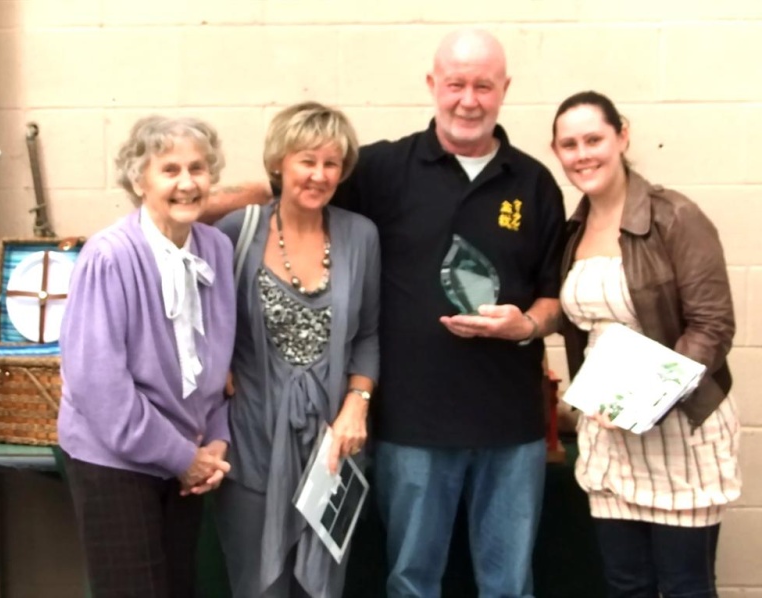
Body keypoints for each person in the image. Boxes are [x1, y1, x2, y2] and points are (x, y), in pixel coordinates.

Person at [206, 28, 565, 598]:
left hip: (510, 428)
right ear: (432, 85)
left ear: (504, 90)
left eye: (483, 85)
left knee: (508, 585)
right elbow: (301, 187)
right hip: (411, 428)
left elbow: (553, 298)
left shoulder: (536, 183)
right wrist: (189, 200)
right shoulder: (381, 169)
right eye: (455, 84)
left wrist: (527, 325)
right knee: (411, 581)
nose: (468, 99)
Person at [552, 90, 741, 598]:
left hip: (679, 431)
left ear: (623, 136)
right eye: (569, 144)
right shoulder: (572, 230)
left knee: (684, 587)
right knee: (626, 586)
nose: (582, 153)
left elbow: (712, 327)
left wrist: (644, 402)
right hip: (609, 439)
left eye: (594, 139)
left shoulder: (675, 217)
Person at [57, 115, 236, 598]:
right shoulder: (109, 257)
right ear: (140, 180)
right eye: (170, 170)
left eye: (198, 169)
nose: (187, 183)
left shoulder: (216, 250)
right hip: (115, 462)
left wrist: (215, 441)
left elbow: (218, 366)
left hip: (186, 459)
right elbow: (101, 389)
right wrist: (185, 458)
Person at [212, 101, 380, 598]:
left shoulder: (360, 235)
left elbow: (369, 335)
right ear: (279, 164)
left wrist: (357, 404)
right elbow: (195, 312)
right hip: (251, 441)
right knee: (256, 587)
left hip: (331, 447)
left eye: (331, 163)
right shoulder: (236, 232)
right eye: (307, 160)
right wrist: (213, 363)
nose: (319, 174)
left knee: (323, 588)